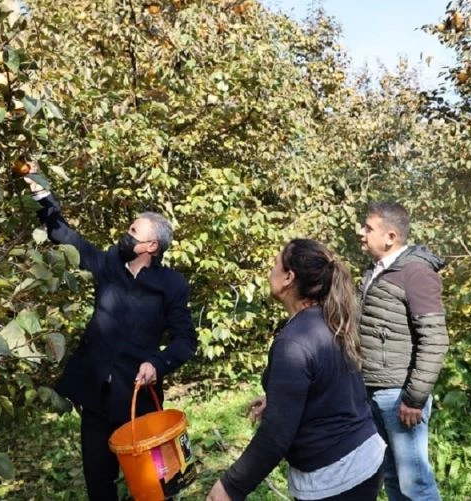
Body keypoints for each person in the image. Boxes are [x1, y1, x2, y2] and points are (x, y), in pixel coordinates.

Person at [23, 163, 197, 501]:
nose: (126, 236)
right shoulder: (109, 265)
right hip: (96, 400)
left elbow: (186, 340)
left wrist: (157, 365)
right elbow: (65, 236)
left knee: (152, 488)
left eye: (134, 232)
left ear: (151, 246)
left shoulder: (171, 285)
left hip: (137, 400)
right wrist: (39, 188)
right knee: (98, 484)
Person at [207, 239, 385, 501]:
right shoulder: (328, 318)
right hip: (364, 457)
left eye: (275, 265)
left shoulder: (295, 341)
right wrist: (280, 399)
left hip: (336, 475)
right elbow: (328, 385)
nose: (270, 272)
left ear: (288, 278)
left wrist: (230, 487)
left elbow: (276, 435)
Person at [358, 201, 449, 501]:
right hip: (374, 388)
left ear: (391, 237)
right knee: (392, 478)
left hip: (399, 394)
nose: (361, 233)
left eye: (368, 228)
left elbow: (434, 340)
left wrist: (414, 399)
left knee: (415, 484)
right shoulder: (378, 271)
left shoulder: (416, 273)